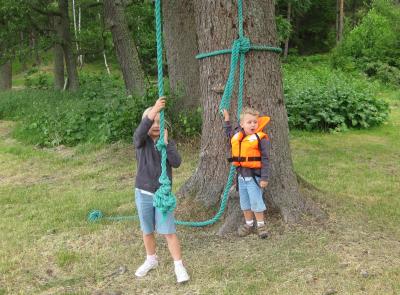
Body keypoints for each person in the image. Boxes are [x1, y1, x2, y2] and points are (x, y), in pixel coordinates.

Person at [133, 97, 189, 283]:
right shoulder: (142, 142)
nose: (155, 125)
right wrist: (155, 109)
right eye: (152, 121)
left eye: (159, 121)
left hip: (162, 196)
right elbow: (139, 133)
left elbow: (177, 162)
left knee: (168, 231)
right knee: (147, 230)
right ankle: (151, 259)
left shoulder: (167, 143)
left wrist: (166, 145)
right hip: (143, 193)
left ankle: (178, 265)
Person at [223, 107, 270, 239]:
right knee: (244, 203)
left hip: (254, 177)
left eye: (255, 122)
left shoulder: (261, 139)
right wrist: (226, 119)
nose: (253, 125)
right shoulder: (238, 135)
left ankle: (261, 225)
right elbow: (229, 134)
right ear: (242, 124)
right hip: (241, 178)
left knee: (256, 201)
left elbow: (266, 159)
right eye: (249, 122)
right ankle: (249, 224)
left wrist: (264, 178)